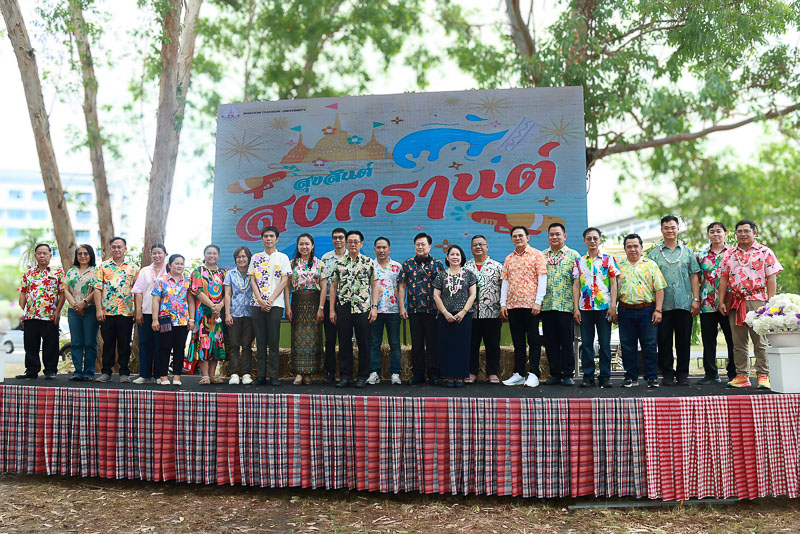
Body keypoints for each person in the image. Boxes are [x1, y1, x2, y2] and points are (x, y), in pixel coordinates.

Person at [719, 219, 783, 389]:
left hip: (758, 300)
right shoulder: (729, 254)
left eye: (746, 231)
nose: (743, 234)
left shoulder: (765, 252)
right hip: (736, 301)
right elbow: (723, 278)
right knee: (738, 341)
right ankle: (741, 375)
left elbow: (771, 278)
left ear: (755, 232)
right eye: (739, 231)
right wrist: (721, 301)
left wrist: (771, 302)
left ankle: (763, 375)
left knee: (760, 340)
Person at [646, 215, 701, 386]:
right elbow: (650, 280)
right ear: (661, 230)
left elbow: (694, 275)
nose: (670, 230)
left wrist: (696, 298)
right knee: (664, 341)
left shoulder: (688, 251)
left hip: (684, 303)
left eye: (673, 227)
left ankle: (683, 373)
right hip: (663, 305)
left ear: (678, 229)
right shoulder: (654, 254)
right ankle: (667, 373)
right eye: (666, 227)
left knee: (684, 341)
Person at [329, 230, 378, 388]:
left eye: (356, 242)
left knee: (364, 342)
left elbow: (375, 286)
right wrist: (331, 310)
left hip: (362, 307)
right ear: (346, 243)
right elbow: (333, 287)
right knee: (344, 342)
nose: (353, 244)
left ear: (361, 244)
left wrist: (374, 307)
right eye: (350, 241)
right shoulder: (339, 263)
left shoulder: (368, 262)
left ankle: (363, 375)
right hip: (343, 307)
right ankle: (345, 375)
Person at [572, 227, 620, 388]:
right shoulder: (579, 261)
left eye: (595, 238)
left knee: (604, 343)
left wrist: (613, 306)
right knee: (586, 343)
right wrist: (576, 308)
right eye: (589, 238)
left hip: (604, 307)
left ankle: (605, 376)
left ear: (600, 240)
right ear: (585, 241)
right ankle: (588, 376)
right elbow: (576, 285)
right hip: (585, 308)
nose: (592, 241)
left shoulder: (608, 259)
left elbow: (614, 283)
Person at [616, 234, 666, 388]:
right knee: (627, 345)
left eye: (636, 246)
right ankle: (631, 376)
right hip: (625, 310)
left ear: (641, 247)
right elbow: (614, 289)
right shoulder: (619, 266)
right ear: (625, 248)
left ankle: (651, 376)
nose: (633, 249)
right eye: (629, 246)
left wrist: (658, 310)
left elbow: (659, 288)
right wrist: (614, 308)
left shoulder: (650, 265)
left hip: (647, 310)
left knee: (650, 344)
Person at [500, 226, 547, 388]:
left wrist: (538, 301)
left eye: (521, 235)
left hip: (531, 305)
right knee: (518, 342)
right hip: (513, 306)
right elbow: (505, 282)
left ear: (528, 237)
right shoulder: (509, 258)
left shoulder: (537, 255)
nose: (518, 238)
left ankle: (534, 373)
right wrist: (503, 303)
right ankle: (519, 374)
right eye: (514, 236)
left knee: (534, 341)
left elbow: (542, 279)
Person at [398, 232, 445, 385]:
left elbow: (443, 288)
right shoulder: (408, 264)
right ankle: (417, 374)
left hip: (432, 310)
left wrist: (441, 309)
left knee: (433, 343)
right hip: (414, 310)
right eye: (417, 244)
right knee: (417, 344)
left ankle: (434, 374)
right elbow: (402, 286)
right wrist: (402, 307)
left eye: (423, 244)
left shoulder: (437, 264)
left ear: (429, 246)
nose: (420, 247)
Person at [15, 243, 65, 380]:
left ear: (50, 255)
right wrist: (21, 311)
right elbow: (23, 293)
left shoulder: (58, 273)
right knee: (30, 345)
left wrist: (58, 311)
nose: (42, 256)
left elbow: (62, 294)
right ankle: (31, 370)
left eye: (45, 253)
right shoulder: (28, 273)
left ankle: (50, 371)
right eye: (39, 253)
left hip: (50, 315)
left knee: (51, 345)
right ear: (35, 255)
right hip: (31, 316)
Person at [249, 226, 291, 386]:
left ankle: (274, 376)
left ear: (277, 239)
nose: (268, 239)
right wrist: (260, 300)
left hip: (276, 304)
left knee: (273, 341)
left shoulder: (283, 258)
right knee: (260, 340)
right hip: (257, 304)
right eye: (265, 236)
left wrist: (271, 300)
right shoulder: (256, 257)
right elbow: (252, 279)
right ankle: (260, 375)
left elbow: (285, 281)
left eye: (271, 236)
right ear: (262, 239)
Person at [540, 223, 581, 386]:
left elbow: (577, 282)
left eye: (558, 234)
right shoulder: (541, 256)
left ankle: (567, 373)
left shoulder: (574, 255)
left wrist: (576, 307)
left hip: (566, 306)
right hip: (547, 305)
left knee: (566, 341)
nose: (554, 237)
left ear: (565, 236)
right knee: (550, 342)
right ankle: (555, 373)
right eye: (551, 234)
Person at [696, 222, 736, 384]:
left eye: (719, 231)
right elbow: (696, 279)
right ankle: (711, 374)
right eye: (712, 231)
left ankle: (734, 373)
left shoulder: (733, 253)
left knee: (732, 340)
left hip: (729, 303)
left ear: (726, 234)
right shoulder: (701, 255)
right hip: (707, 303)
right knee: (708, 340)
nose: (715, 234)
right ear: (708, 235)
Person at [93, 237, 137, 383]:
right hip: (108, 312)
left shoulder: (133, 268)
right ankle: (106, 372)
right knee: (108, 343)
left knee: (125, 343)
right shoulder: (103, 267)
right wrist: (99, 309)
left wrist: (137, 311)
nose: (117, 249)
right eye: (114, 247)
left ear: (125, 249)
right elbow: (98, 289)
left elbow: (137, 291)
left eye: (120, 247)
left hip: (126, 312)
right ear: (110, 249)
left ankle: (124, 372)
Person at [432, 245, 477, 388]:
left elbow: (473, 295)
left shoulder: (469, 274)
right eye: (452, 254)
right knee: (447, 346)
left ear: (462, 257)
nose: (455, 257)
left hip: (464, 316)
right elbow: (436, 295)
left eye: (458, 254)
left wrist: (463, 312)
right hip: (445, 317)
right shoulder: (441, 275)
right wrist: (445, 313)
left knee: (462, 347)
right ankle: (449, 376)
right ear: (447, 257)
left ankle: (460, 376)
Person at [287, 234, 328, 385]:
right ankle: (298, 373)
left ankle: (309, 373)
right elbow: (287, 287)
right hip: (297, 303)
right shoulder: (292, 264)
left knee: (313, 339)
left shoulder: (320, 264)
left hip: (314, 303)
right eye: (301, 244)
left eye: (307, 244)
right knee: (297, 338)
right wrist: (288, 307)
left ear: (312, 246)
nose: (304, 247)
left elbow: (324, 288)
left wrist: (321, 308)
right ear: (297, 247)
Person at [464, 235, 503, 384]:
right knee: (472, 344)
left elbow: (503, 289)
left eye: (481, 244)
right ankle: (472, 372)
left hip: (492, 312)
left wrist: (502, 307)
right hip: (471, 313)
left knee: (493, 344)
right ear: (471, 248)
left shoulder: (497, 266)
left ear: (487, 247)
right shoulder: (466, 268)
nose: (478, 247)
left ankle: (492, 373)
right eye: (475, 245)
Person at [187, 244, 228, 385]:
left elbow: (227, 292)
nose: (212, 255)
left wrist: (220, 305)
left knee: (215, 342)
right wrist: (212, 306)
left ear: (218, 256)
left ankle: (213, 375)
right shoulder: (198, 272)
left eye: (214, 253)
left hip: (218, 315)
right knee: (203, 342)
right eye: (209, 253)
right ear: (204, 255)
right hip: (203, 314)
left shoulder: (223, 273)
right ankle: (204, 375)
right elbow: (197, 291)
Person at [151, 254, 192, 385]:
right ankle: (163, 376)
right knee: (164, 348)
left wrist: (191, 319)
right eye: (176, 263)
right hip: (165, 320)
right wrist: (154, 319)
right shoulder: (161, 280)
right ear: (169, 265)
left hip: (182, 321)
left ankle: (177, 377)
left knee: (179, 349)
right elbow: (156, 300)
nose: (179, 266)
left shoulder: (187, 282)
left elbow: (191, 302)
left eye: (181, 263)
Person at [366, 237, 403, 385]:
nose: (381, 250)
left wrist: (402, 307)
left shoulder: (397, 267)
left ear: (389, 249)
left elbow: (402, 288)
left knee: (395, 343)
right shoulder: (370, 266)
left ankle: (395, 373)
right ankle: (374, 372)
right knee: (374, 343)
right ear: (374, 249)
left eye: (384, 247)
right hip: (374, 310)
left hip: (393, 310)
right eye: (378, 247)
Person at [131, 243, 167, 384]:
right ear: (150, 255)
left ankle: (159, 375)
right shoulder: (144, 271)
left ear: (165, 254)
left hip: (164, 315)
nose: (157, 256)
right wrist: (138, 311)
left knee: (161, 344)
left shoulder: (170, 270)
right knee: (145, 343)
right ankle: (145, 375)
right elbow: (138, 291)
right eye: (154, 253)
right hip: (146, 311)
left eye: (160, 253)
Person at [64, 244, 98, 381]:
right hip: (73, 311)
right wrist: (75, 305)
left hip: (90, 309)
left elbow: (97, 289)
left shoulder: (96, 271)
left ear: (91, 255)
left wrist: (83, 303)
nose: (83, 256)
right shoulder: (71, 272)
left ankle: (89, 372)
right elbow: (66, 289)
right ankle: (78, 372)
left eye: (86, 253)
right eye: (80, 254)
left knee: (90, 342)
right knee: (76, 342)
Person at [223, 246, 255, 385]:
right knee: (234, 345)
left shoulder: (254, 274)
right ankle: (234, 373)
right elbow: (228, 294)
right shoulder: (230, 274)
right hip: (234, 314)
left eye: (244, 256)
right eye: (238, 257)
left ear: (249, 258)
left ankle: (247, 373)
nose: (241, 259)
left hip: (250, 314)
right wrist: (227, 314)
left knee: (247, 345)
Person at [320, 227, 347, 383]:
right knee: (330, 340)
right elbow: (323, 285)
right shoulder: (326, 258)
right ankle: (330, 372)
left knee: (344, 339)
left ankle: (345, 373)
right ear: (332, 240)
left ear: (345, 239)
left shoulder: (353, 257)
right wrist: (323, 307)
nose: (338, 240)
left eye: (341, 237)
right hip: (330, 301)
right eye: (335, 237)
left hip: (346, 303)